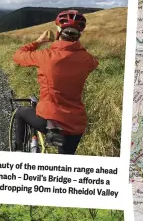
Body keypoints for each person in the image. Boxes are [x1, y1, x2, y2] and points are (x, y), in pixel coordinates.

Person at [12, 10, 99, 155]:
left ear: (59, 31)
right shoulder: (87, 59)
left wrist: (38, 42)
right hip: (76, 124)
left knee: (20, 112)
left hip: (50, 119)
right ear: (79, 34)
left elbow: (18, 56)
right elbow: (94, 63)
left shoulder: (45, 56)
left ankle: (18, 153)